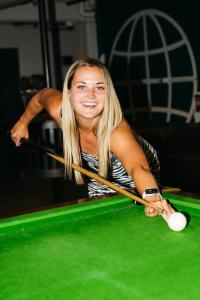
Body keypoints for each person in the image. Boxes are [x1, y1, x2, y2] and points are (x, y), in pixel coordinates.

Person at [11, 57, 173, 218]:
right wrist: (23, 122)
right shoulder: (59, 110)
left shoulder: (115, 131)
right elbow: (41, 97)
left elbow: (139, 168)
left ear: (108, 94)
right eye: (81, 86)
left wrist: (151, 196)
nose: (91, 95)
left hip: (138, 174)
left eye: (100, 88)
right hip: (100, 174)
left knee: (140, 215)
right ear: (68, 92)